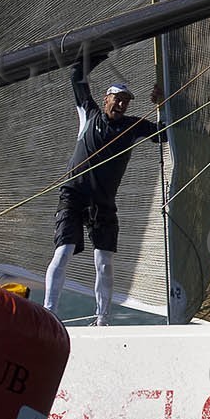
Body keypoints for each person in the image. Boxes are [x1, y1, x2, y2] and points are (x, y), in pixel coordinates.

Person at [44, 52, 166, 325]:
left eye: (125, 100)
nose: (121, 103)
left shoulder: (133, 126)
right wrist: (99, 53)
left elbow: (165, 133)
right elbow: (77, 76)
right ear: (106, 99)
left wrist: (164, 101)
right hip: (73, 195)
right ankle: (48, 313)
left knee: (104, 262)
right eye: (117, 99)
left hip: (103, 202)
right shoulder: (89, 114)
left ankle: (102, 319)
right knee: (63, 252)